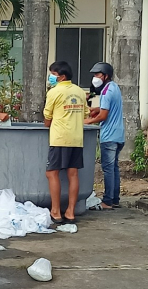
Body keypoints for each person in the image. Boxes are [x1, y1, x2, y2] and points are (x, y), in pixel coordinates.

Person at [43, 61, 89, 224]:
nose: (51, 77)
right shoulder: (80, 92)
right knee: (73, 174)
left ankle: (55, 211)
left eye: (53, 74)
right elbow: (85, 113)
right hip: (76, 138)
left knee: (52, 173)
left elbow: (47, 119)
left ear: (61, 76)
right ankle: (70, 212)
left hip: (60, 138)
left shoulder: (54, 92)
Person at [84, 62, 125, 209]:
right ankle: (114, 199)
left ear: (105, 75)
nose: (95, 77)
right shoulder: (114, 87)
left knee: (108, 169)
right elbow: (107, 108)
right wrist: (96, 109)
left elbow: (103, 116)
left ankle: (107, 201)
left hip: (109, 136)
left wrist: (88, 120)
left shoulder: (106, 92)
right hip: (119, 135)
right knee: (113, 168)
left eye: (97, 74)